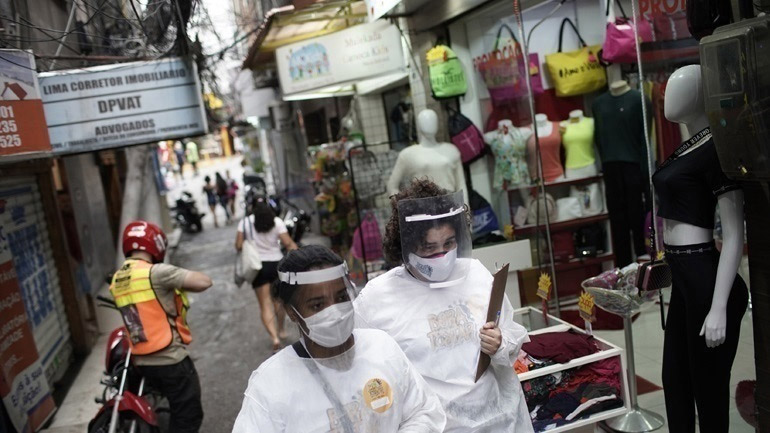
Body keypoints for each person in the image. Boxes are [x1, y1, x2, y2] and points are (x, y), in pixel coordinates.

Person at [354, 179, 533, 432]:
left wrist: (500, 343)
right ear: (406, 245)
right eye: (429, 248)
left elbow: (511, 335)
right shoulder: (377, 299)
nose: (442, 255)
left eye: (449, 243)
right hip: (436, 426)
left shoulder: (475, 274)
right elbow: (362, 370)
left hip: (500, 419)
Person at [232, 245, 447, 433]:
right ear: (291, 312)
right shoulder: (271, 384)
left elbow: (423, 411)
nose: (334, 311)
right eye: (317, 305)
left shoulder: (381, 347)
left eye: (342, 297)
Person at [109, 221, 212, 433]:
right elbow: (204, 282)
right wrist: (175, 276)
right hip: (170, 359)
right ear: (155, 244)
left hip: (140, 360)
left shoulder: (118, 278)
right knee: (188, 415)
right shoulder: (155, 272)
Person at [236, 199, 298, 351]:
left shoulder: (245, 223)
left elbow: (238, 245)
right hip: (276, 265)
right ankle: (281, 330)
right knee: (279, 301)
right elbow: (288, 243)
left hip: (258, 267)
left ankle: (274, 337)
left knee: (265, 304)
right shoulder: (277, 222)